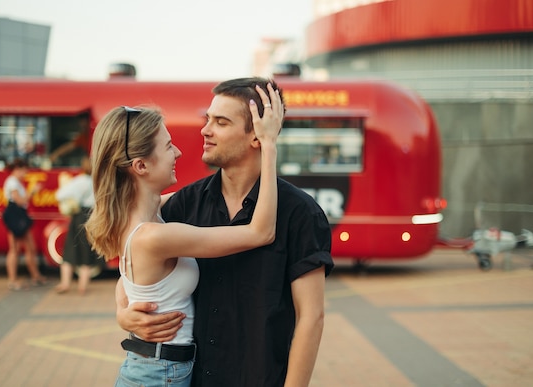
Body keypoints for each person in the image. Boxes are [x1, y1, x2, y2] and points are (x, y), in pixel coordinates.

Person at [116, 77, 334, 387]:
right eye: (208, 119)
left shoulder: (301, 213)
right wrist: (122, 312)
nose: (205, 130)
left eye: (221, 122)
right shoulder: (184, 204)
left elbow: (311, 318)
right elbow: (133, 265)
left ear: (257, 136)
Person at [85, 83, 282, 387]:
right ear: (140, 166)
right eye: (167, 146)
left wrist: (123, 311)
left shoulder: (143, 215)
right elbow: (261, 232)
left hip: (157, 369)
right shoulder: (154, 236)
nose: (177, 151)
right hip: (158, 375)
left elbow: (128, 286)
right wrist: (268, 144)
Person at [54, 156, 99, 295]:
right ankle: (82, 286)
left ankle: (65, 283)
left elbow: (60, 194)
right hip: (92, 216)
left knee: (70, 251)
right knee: (87, 253)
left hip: (79, 216)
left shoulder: (79, 181)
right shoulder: (98, 182)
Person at [2, 158, 46, 290]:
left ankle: (35, 276)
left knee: (29, 247)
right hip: (16, 214)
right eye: (24, 170)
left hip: (17, 215)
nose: (25, 173)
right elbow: (20, 201)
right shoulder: (12, 182)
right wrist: (32, 191)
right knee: (15, 248)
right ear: (18, 169)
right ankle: (13, 280)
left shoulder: (14, 182)